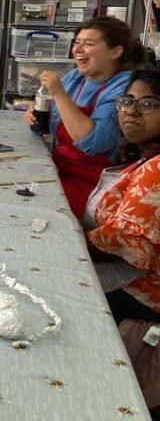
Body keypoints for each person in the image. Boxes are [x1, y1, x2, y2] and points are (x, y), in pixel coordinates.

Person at [23, 17, 146, 220]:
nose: (78, 50)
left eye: (89, 44)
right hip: (60, 169)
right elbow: (50, 127)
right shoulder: (75, 78)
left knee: (40, 212)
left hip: (98, 182)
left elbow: (93, 143)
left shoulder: (126, 88)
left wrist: (59, 94)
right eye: (77, 42)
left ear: (116, 52)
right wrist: (35, 115)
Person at [84, 69, 160, 324]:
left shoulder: (156, 168)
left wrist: (62, 245)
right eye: (127, 101)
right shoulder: (145, 157)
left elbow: (128, 247)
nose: (131, 111)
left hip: (141, 298)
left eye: (147, 104)